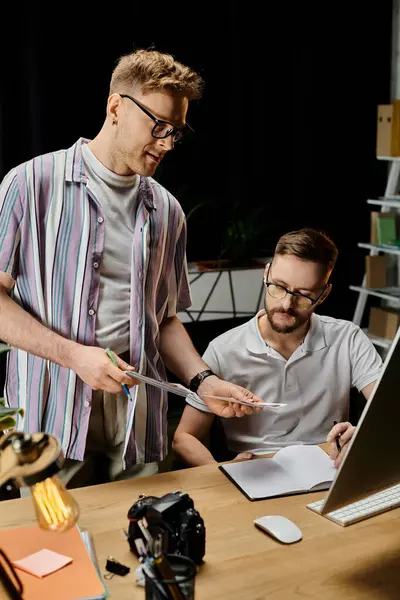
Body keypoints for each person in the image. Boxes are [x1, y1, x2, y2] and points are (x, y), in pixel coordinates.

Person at [0, 49, 262, 487]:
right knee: (59, 550)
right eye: (158, 126)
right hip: (50, 416)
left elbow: (164, 319)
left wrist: (204, 381)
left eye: (175, 132)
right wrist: (74, 356)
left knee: (149, 546)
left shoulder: (168, 211)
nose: (166, 143)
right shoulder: (28, 184)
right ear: (116, 107)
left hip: (139, 419)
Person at [173, 228, 382, 469]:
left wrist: (363, 435)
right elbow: (184, 437)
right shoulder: (223, 349)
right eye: (279, 286)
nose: (286, 304)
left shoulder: (348, 338)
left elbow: (389, 410)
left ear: (324, 295)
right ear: (266, 274)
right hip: (254, 471)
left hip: (327, 466)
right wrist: (221, 471)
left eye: (303, 295)